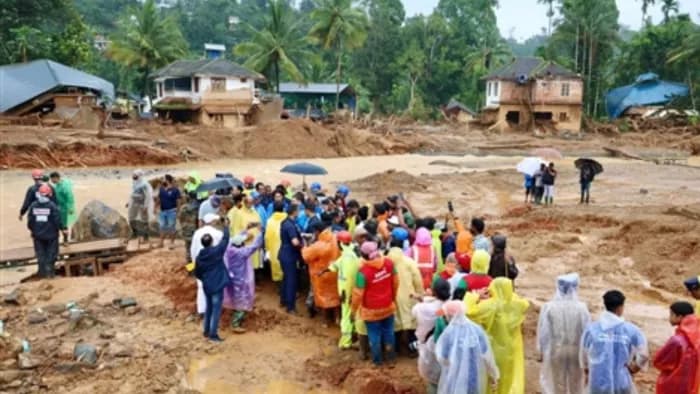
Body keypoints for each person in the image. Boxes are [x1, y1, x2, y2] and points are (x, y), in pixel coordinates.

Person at [465, 277, 529, 394]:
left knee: (491, 381)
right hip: (510, 350)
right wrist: (509, 295)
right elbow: (526, 303)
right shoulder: (517, 305)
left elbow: (468, 311)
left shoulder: (490, 306)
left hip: (492, 349)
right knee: (506, 380)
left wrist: (474, 296)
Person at [580, 290, 649, 394]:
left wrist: (588, 371)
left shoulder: (592, 329)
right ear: (620, 307)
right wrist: (633, 369)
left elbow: (583, 353)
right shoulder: (632, 330)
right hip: (621, 381)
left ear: (605, 305)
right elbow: (643, 354)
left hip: (598, 381)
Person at [537, 273, 590, 394]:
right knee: (577, 384)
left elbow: (544, 332)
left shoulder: (549, 307)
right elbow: (587, 332)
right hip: (576, 351)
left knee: (558, 384)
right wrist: (587, 355)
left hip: (556, 350)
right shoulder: (582, 308)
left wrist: (541, 351)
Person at [435, 300, 500, 394]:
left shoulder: (448, 334)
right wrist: (494, 374)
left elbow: (442, 358)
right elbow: (487, 356)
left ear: (450, 316)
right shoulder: (476, 330)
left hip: (454, 377)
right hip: (473, 377)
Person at [351, 241, 399, 365]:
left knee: (374, 335)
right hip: (388, 306)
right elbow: (396, 282)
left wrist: (353, 310)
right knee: (389, 332)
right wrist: (392, 298)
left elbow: (357, 295)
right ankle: (391, 358)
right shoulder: (389, 264)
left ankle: (377, 361)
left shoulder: (363, 272)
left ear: (363, 255)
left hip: (370, 311)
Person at [322, 231, 360, 349]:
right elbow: (336, 265)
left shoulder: (347, 257)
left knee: (346, 316)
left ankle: (346, 342)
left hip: (347, 292)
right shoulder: (349, 253)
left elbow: (348, 277)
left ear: (340, 242)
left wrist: (345, 294)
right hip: (353, 292)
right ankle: (355, 336)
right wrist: (325, 270)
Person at [413, 278, 452, 394]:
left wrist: (423, 298)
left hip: (429, 351)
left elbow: (415, 311)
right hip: (448, 351)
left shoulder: (422, 308)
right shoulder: (453, 307)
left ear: (434, 292)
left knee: (433, 382)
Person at [223, 223, 263, 333]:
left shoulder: (229, 248)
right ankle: (235, 323)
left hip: (231, 278)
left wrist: (246, 230)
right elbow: (254, 246)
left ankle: (234, 313)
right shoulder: (241, 253)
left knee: (235, 297)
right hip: (240, 280)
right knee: (242, 301)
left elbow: (235, 238)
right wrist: (260, 233)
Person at [388, 235, 424, 356]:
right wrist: (420, 294)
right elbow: (417, 281)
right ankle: (412, 349)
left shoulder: (385, 262)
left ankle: (397, 349)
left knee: (395, 324)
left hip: (391, 297)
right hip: (409, 296)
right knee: (411, 325)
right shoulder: (409, 262)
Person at [654, 301, 700, 394]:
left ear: (679, 317)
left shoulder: (677, 340)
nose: (669, 317)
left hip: (673, 386)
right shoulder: (697, 337)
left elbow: (659, 361)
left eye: (671, 314)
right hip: (692, 386)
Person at [194, 226, 230, 342]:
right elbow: (225, 240)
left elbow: (197, 273)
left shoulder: (199, 257)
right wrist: (226, 227)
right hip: (217, 285)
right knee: (216, 311)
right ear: (212, 242)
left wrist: (205, 279)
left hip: (207, 286)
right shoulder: (216, 252)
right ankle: (213, 335)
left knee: (208, 308)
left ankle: (206, 330)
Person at [302, 224, 341, 323]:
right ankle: (337, 318)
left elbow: (306, 256)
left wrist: (305, 246)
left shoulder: (318, 245)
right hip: (335, 272)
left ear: (317, 232)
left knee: (324, 299)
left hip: (321, 275)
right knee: (336, 296)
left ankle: (326, 321)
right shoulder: (336, 240)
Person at [27, 184, 65, 278]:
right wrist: (62, 229)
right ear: (49, 194)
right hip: (51, 235)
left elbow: (30, 221)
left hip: (38, 236)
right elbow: (57, 221)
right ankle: (50, 274)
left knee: (41, 255)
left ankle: (42, 275)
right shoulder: (52, 206)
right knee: (51, 255)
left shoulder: (33, 206)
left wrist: (34, 231)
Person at [191, 214, 224, 316]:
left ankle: (202, 310)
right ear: (213, 221)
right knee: (216, 287)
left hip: (200, 263)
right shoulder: (218, 233)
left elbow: (193, 250)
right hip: (214, 264)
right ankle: (215, 310)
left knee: (201, 286)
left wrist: (194, 263)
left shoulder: (197, 233)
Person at [279, 204, 303, 314]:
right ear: (294, 212)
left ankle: (283, 300)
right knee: (291, 281)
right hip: (290, 255)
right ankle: (291, 306)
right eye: (298, 210)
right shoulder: (290, 226)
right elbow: (295, 242)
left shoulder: (285, 222)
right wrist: (303, 246)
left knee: (286, 278)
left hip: (284, 253)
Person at [228, 194, 262, 269]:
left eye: (251, 202)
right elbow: (235, 228)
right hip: (246, 241)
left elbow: (259, 224)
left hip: (255, 240)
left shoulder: (255, 212)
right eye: (248, 202)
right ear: (245, 202)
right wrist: (243, 236)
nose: (250, 204)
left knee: (255, 261)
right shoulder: (239, 213)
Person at [127, 169, 154, 246]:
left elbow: (148, 196)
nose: (133, 176)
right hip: (134, 203)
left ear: (139, 176)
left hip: (142, 204)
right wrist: (128, 202)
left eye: (134, 175)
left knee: (144, 220)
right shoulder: (134, 182)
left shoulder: (144, 184)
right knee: (131, 218)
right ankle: (134, 233)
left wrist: (146, 206)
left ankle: (146, 236)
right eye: (133, 174)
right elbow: (132, 192)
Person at [49, 172, 76, 244]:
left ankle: (66, 240)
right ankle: (60, 240)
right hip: (58, 207)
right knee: (58, 224)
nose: (51, 181)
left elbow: (70, 197)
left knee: (64, 225)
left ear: (56, 178)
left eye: (52, 179)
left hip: (64, 208)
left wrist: (70, 208)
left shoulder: (64, 186)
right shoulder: (58, 185)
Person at [156, 174, 181, 247]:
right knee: (162, 226)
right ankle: (161, 243)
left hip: (172, 211)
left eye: (163, 179)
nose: (162, 180)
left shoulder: (175, 190)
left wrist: (178, 211)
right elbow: (159, 199)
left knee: (171, 227)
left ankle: (172, 243)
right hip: (162, 211)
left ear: (167, 180)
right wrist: (155, 207)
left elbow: (178, 201)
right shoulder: (161, 189)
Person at [265, 202, 287, 285]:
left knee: (276, 266)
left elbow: (266, 237)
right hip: (286, 248)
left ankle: (279, 286)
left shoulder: (270, 221)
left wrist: (267, 249)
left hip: (273, 248)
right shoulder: (287, 219)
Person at [179, 192, 200, 263]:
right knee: (196, 250)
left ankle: (190, 269)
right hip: (195, 231)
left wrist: (184, 226)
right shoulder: (197, 208)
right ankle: (196, 268)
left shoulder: (183, 208)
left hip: (186, 230)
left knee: (188, 250)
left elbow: (180, 218)